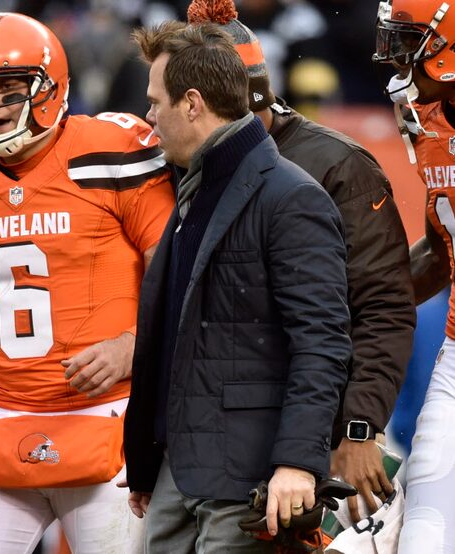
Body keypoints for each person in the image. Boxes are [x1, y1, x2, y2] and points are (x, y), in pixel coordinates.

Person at [0, 12, 174, 553]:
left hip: (112, 420)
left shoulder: (115, 150)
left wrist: (133, 346)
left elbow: (177, 273)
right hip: (0, 421)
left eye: (8, 90)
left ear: (53, 85)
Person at [123, 21, 351, 552]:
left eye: (156, 101)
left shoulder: (293, 197)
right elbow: (177, 339)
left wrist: (296, 461)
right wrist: (145, 461)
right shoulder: (192, 188)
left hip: (247, 480)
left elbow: (322, 343)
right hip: (176, 474)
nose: (149, 115)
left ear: (194, 103)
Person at [187, 0, 415, 525]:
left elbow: (379, 307)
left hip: (311, 430)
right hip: (206, 433)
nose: (155, 116)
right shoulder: (175, 165)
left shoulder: (335, 165)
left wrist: (358, 429)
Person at [373, 1, 455, 551]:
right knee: (424, 535)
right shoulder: (430, 125)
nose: (398, 58)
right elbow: (440, 249)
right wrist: (364, 302)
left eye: (409, 42)